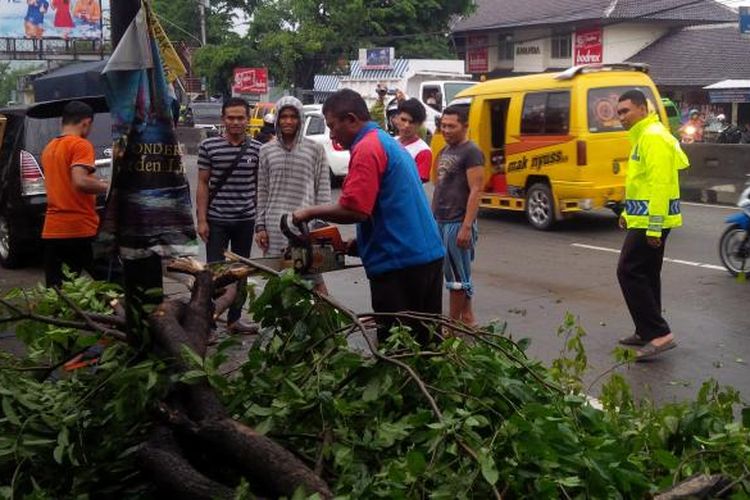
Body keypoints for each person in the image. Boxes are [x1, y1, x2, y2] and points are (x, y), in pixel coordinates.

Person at [292, 89, 445, 344]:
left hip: (400, 266)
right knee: (427, 344)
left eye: (333, 125)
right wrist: (360, 245)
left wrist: (308, 212)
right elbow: (389, 208)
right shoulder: (384, 141)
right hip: (425, 258)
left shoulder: (367, 148)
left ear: (351, 119)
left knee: (399, 348)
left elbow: (356, 209)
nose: (331, 134)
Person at [615, 89, 689, 361]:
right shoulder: (643, 136)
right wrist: (626, 212)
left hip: (652, 221)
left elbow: (659, 185)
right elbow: (640, 183)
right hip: (644, 217)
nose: (621, 117)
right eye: (619, 112)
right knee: (646, 273)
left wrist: (655, 227)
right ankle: (646, 331)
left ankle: (659, 333)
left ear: (642, 109)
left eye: (626, 111)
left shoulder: (654, 137)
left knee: (628, 271)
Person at [196, 97, 260, 334]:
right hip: (217, 220)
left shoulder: (256, 149)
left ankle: (234, 320)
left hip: (245, 220)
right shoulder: (209, 147)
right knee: (215, 274)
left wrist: (259, 221)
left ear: (247, 120)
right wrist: (202, 220)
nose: (235, 122)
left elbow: (257, 187)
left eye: (240, 118)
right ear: (223, 119)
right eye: (231, 118)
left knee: (241, 271)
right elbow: (202, 184)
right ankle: (208, 322)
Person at [255, 97, 331, 294]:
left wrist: (320, 228)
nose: (288, 121)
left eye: (293, 117)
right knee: (278, 282)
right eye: (284, 116)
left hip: (304, 228)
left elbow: (322, 189)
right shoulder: (266, 150)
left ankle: (329, 324)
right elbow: (262, 191)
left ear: (300, 119)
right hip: (274, 227)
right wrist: (260, 227)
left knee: (313, 280)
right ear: (277, 119)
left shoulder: (315, 149)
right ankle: (282, 325)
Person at [41, 101, 108, 288]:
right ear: (86, 123)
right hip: (81, 228)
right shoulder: (80, 145)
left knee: (59, 292)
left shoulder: (50, 148)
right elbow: (80, 181)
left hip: (53, 230)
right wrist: (109, 187)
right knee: (113, 281)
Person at [433, 106, 484, 325]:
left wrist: (466, 226)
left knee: (455, 278)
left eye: (451, 126)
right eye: (443, 125)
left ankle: (452, 327)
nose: (446, 130)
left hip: (457, 221)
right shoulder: (445, 151)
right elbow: (439, 186)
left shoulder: (471, 151)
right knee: (459, 272)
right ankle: (467, 318)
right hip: (440, 220)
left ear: (465, 126)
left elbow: (477, 189)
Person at [396, 98, 432, 183]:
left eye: (412, 122)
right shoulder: (390, 142)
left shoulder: (423, 151)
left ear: (419, 124)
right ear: (397, 118)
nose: (406, 125)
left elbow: (416, 184)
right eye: (403, 120)